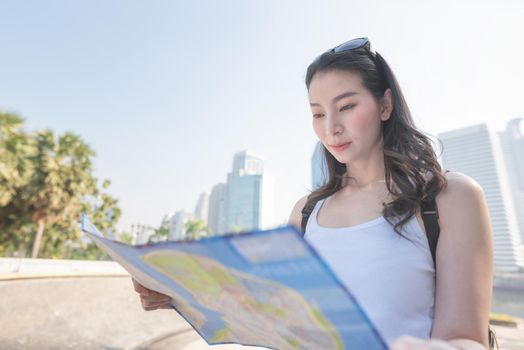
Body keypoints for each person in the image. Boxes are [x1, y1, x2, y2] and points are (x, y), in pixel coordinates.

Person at [132, 38, 493, 350]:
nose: (331, 128)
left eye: (347, 106)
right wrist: (179, 294)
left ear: (385, 105)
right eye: (317, 114)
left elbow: (465, 339)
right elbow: (271, 314)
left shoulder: (448, 198)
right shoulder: (305, 212)